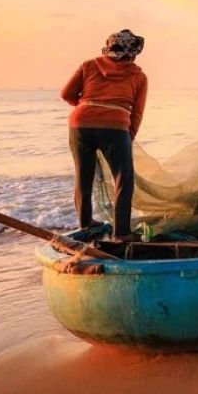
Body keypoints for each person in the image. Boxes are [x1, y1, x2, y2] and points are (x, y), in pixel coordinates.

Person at [60, 29, 148, 241]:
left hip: (80, 124)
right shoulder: (138, 76)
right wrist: (129, 135)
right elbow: (137, 112)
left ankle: (86, 225)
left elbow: (66, 94)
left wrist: (87, 106)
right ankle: (122, 233)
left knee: (83, 176)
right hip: (115, 127)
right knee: (123, 179)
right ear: (133, 52)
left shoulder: (88, 65)